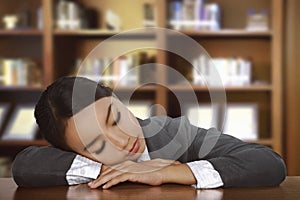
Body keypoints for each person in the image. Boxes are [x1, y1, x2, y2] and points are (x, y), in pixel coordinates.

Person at [12, 76, 286, 189]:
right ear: (74, 152)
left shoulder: (173, 133)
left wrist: (169, 172)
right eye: (96, 144)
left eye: (116, 118)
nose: (121, 141)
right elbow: (24, 165)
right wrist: (109, 170)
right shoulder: (76, 159)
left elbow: (268, 163)